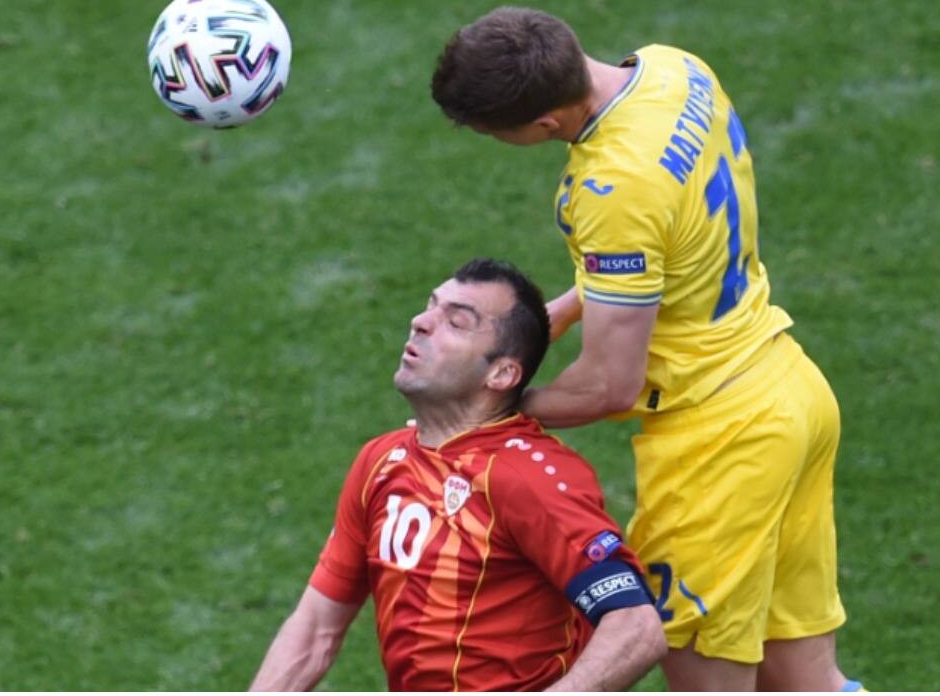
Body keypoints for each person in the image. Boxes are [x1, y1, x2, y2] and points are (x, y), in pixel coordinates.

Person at [431, 8, 865, 692]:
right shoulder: (675, 68)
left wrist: (489, 412)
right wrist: (558, 316)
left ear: (543, 125)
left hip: (720, 445)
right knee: (804, 680)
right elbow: (662, 245)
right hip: (788, 389)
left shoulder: (612, 188)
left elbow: (608, 386)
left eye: (493, 131)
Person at [250, 258, 666, 692]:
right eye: (430, 306)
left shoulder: (526, 477)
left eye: (456, 322)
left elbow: (636, 626)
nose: (420, 322)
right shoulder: (381, 461)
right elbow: (316, 628)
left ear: (502, 372)